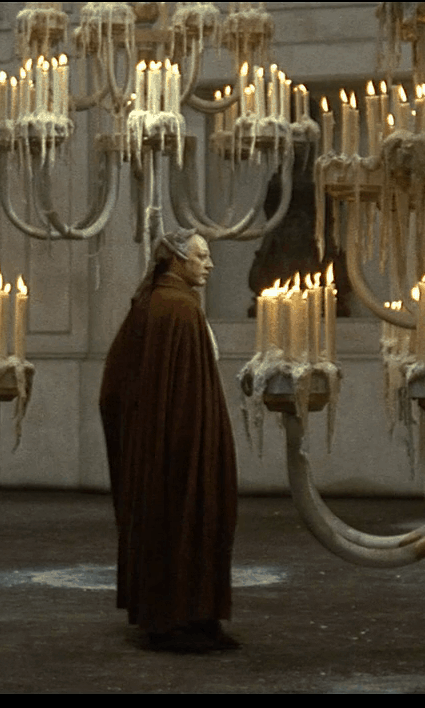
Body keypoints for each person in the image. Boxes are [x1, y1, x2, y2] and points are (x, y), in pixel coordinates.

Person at [99, 229, 240, 652]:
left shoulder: (154, 303)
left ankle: (187, 617)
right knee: (189, 519)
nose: (210, 264)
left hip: (163, 440)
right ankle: (181, 619)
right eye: (202, 256)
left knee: (177, 522)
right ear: (178, 260)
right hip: (182, 442)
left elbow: (115, 386)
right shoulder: (178, 309)